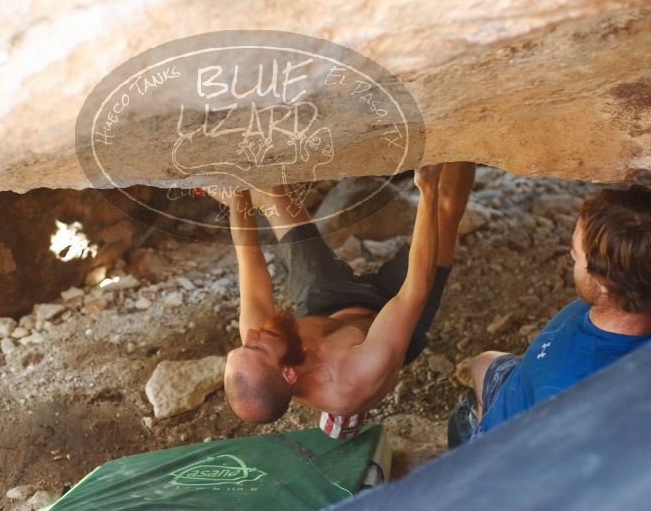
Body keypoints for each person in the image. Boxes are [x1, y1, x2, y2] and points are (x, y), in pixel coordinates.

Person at [220, 162, 476, 431]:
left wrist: (238, 187)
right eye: (255, 347)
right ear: (288, 373)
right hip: (388, 315)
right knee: (445, 207)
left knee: (277, 196)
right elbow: (413, 292)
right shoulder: (355, 377)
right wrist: (427, 190)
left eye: (241, 346)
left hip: (326, 306)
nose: (250, 335)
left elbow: (248, 260)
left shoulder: (259, 349)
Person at [448, 185, 651, 447]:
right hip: (526, 381)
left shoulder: (563, 391)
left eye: (578, 254)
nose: (572, 254)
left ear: (604, 284)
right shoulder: (629, 296)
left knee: (467, 419)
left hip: (513, 441)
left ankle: (478, 438)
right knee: (482, 363)